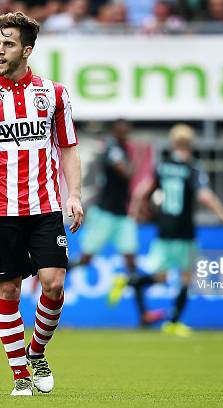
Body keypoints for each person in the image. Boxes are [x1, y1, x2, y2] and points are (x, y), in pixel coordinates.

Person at [0, 11, 83, 397]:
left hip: (45, 207)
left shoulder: (54, 94)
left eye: (8, 43)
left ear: (26, 50)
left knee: (54, 283)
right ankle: (20, 378)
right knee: (9, 292)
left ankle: (37, 351)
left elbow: (67, 147)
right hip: (2, 211)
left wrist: (74, 194)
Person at [110, 124, 223, 337]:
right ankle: (173, 322)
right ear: (191, 144)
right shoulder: (193, 168)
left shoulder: (162, 166)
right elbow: (205, 196)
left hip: (164, 229)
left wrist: (134, 212)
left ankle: (127, 281)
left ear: (172, 143)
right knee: (187, 277)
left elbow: (142, 191)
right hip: (184, 231)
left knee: (160, 277)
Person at [70, 119, 163, 326]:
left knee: (132, 266)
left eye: (128, 127)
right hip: (104, 215)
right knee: (85, 260)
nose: (126, 130)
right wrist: (136, 163)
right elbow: (126, 172)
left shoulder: (121, 148)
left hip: (122, 217)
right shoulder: (112, 148)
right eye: (122, 127)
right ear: (115, 130)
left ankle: (144, 314)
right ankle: (49, 270)